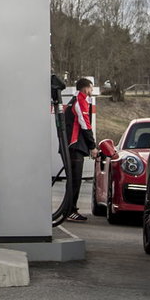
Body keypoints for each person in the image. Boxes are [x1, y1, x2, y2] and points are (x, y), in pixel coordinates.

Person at [60, 78, 95, 222]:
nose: (92, 91)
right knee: (75, 180)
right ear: (85, 88)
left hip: (71, 146)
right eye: (91, 88)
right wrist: (92, 146)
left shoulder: (75, 101)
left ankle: (67, 210)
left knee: (73, 180)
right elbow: (85, 124)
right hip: (74, 146)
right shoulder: (80, 101)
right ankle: (70, 211)